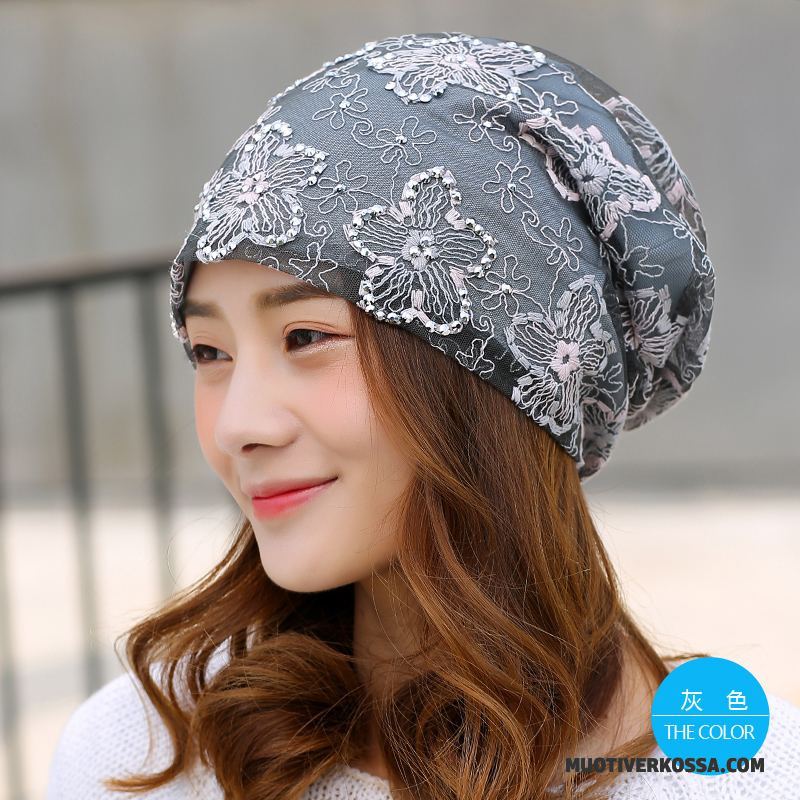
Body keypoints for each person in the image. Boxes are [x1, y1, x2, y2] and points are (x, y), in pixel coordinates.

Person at [46, 31, 800, 800]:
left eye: (305, 337)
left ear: (495, 377)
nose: (238, 426)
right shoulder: (141, 757)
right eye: (210, 352)